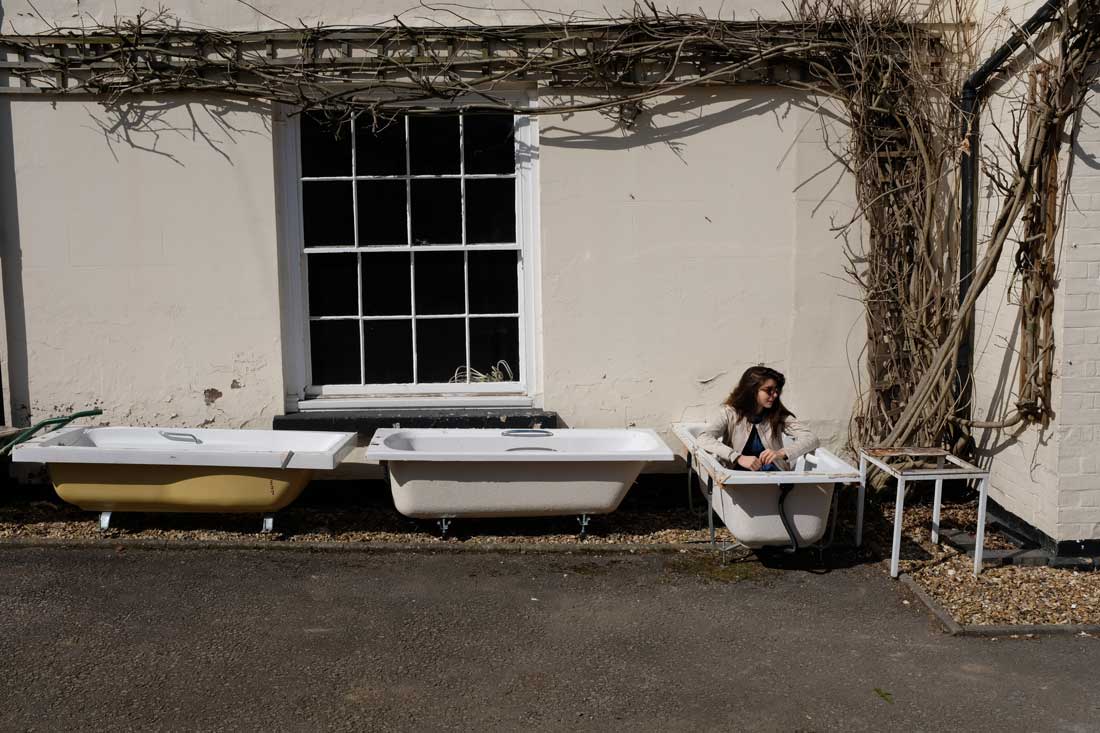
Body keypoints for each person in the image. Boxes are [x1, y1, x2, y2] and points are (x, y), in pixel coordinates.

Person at [696, 365, 819, 472]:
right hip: (737, 476)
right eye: (768, 390)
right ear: (752, 390)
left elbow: (811, 438)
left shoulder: (777, 415)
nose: (775, 395)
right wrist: (737, 457)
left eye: (776, 390)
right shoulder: (730, 413)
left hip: (773, 477)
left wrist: (781, 453)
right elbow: (703, 438)